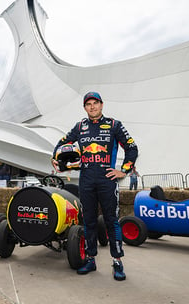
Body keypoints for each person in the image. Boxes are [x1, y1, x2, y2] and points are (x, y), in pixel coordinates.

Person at [51, 91, 138, 281]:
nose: (92, 107)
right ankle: (91, 259)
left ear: (102, 104)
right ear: (84, 107)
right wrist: (55, 157)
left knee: (111, 221)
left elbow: (132, 148)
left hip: (107, 180)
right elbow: (62, 143)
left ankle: (117, 262)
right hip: (86, 179)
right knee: (88, 220)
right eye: (88, 104)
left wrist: (123, 170)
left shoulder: (114, 125)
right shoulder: (80, 126)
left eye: (95, 103)